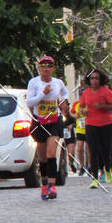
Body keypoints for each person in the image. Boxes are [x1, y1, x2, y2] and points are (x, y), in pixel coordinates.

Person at [26, 55, 70, 201]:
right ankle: (44, 183)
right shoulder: (34, 82)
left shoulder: (58, 82)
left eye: (49, 66)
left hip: (54, 121)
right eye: (43, 66)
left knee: (52, 153)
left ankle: (52, 185)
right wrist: (42, 94)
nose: (46, 69)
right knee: (43, 156)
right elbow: (30, 102)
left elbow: (65, 92)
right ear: (39, 68)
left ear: (53, 69)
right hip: (39, 122)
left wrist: (64, 101)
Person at [79, 68, 112, 188]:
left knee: (105, 151)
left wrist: (101, 106)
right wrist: (83, 110)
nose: (94, 81)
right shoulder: (86, 93)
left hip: (106, 124)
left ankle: (107, 170)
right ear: (89, 80)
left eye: (96, 78)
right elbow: (80, 107)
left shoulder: (106, 91)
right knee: (93, 151)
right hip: (91, 124)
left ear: (100, 80)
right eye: (92, 78)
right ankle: (94, 178)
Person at [69, 84, 88, 175]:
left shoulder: (89, 103)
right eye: (80, 95)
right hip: (80, 129)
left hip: (89, 128)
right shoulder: (76, 104)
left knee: (89, 148)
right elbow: (71, 113)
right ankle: (82, 165)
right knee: (80, 148)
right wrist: (75, 116)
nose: (82, 97)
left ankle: (90, 166)